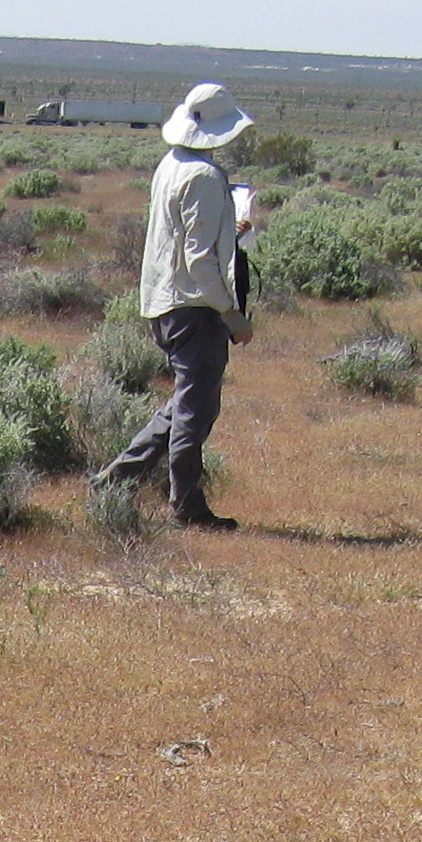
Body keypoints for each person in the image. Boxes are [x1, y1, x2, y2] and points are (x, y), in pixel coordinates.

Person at [93, 81, 256, 530]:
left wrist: (229, 232)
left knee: (185, 402)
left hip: (166, 300)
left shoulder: (172, 164)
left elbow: (187, 237)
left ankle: (116, 479)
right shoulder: (204, 176)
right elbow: (199, 259)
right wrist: (230, 313)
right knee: (195, 410)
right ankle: (187, 506)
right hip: (193, 305)